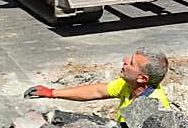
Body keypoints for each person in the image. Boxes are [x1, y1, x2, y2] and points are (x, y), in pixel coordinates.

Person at [25, 49, 170, 123]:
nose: (124, 60)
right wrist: (52, 93)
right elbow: (97, 91)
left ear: (142, 78)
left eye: (131, 63)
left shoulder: (151, 108)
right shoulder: (128, 84)